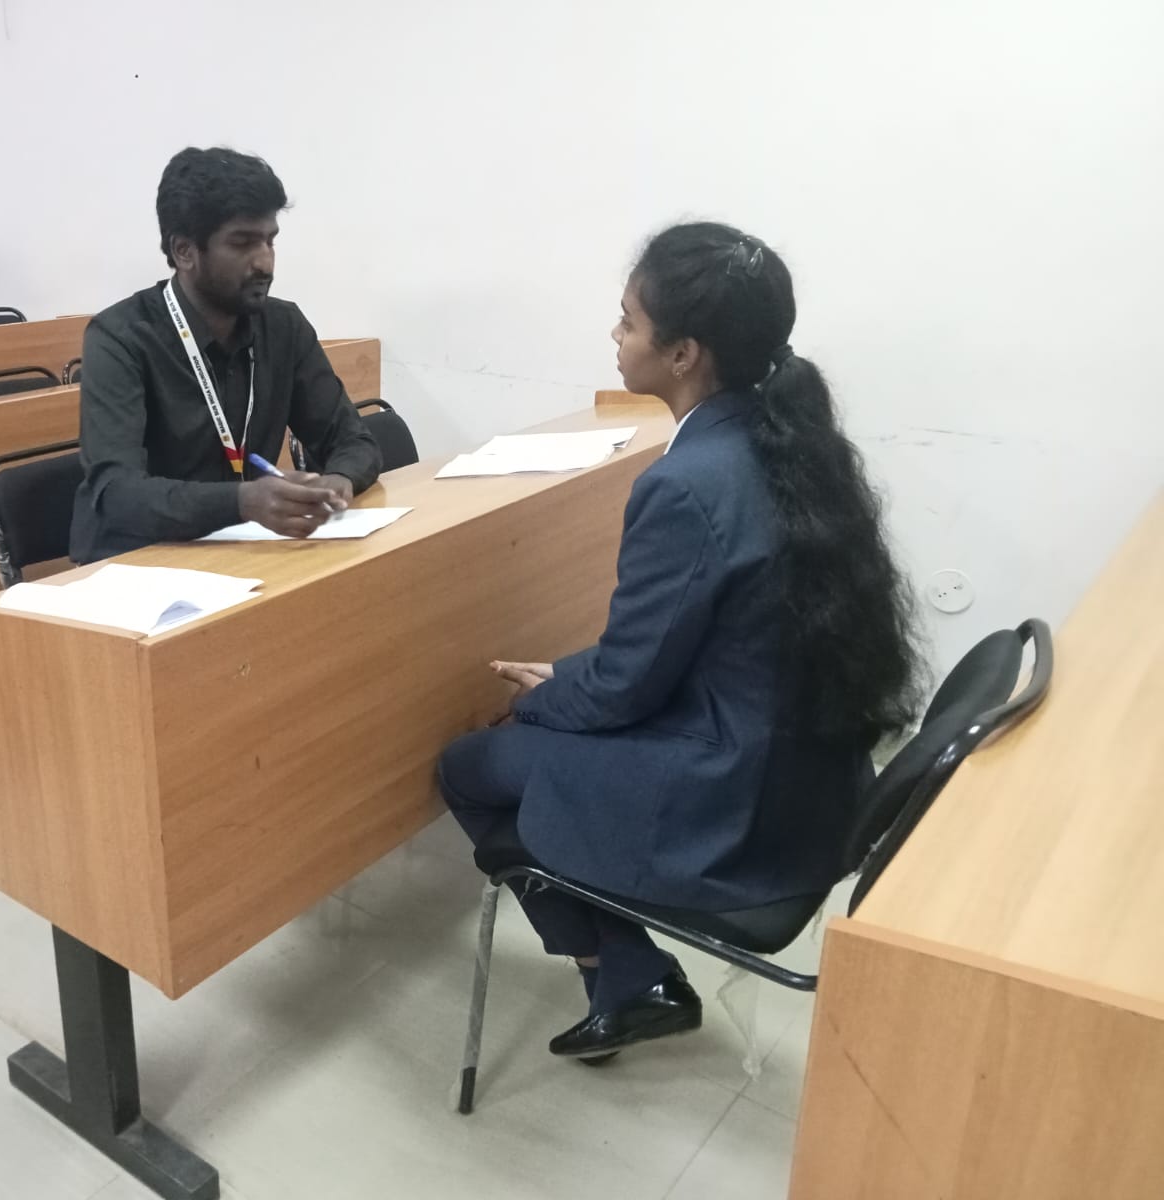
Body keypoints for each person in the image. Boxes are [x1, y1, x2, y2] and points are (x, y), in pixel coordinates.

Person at [437, 222, 922, 1062]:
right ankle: (631, 979)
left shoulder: (687, 483)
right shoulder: (789, 440)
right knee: (546, 728)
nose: (615, 335)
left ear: (683, 353)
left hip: (730, 802)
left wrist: (548, 695)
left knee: (470, 765)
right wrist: (570, 678)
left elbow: (627, 685)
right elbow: (677, 651)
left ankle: (616, 970)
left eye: (628, 321)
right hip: (811, 784)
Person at [70, 147, 382, 564]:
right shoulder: (120, 338)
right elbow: (117, 492)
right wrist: (242, 501)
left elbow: (352, 439)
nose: (265, 262)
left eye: (270, 240)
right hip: (137, 559)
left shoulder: (283, 327)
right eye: (243, 243)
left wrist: (338, 480)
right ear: (185, 251)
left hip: (242, 548)